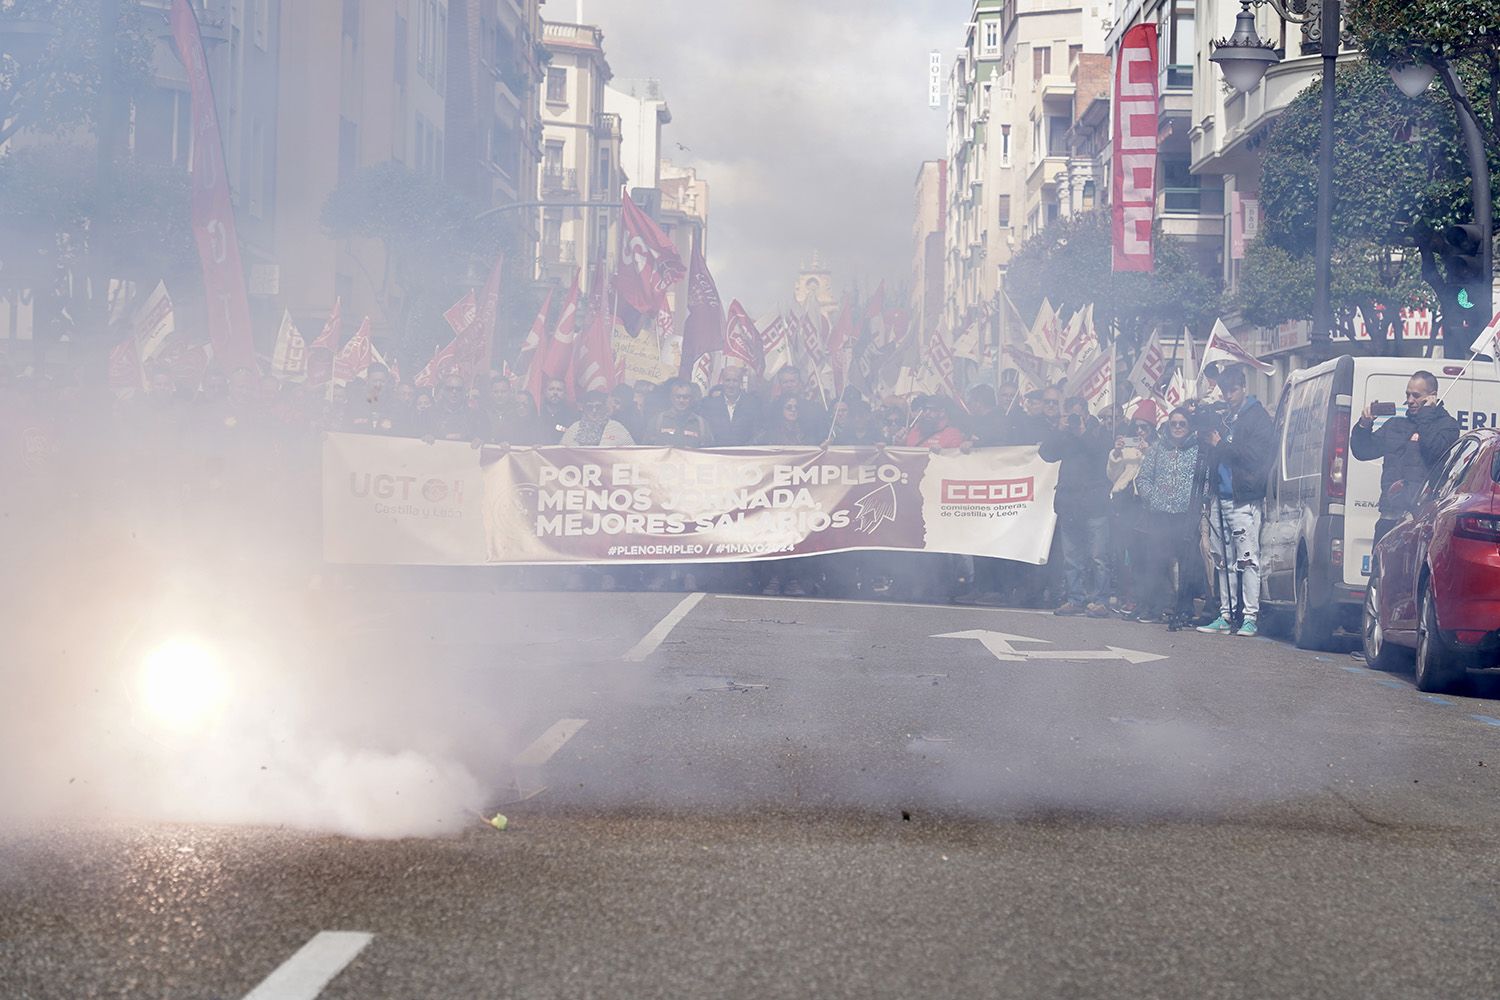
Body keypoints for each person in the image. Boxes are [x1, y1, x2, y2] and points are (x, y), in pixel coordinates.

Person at [1197, 364, 1275, 637]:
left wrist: (1222, 445)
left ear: (1243, 388)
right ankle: (1225, 614)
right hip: (1221, 497)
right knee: (1223, 559)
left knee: (1247, 559)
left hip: (1244, 498)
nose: (1228, 395)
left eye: (1232, 390)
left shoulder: (1257, 417)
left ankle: (1250, 617)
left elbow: (1255, 455)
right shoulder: (1225, 417)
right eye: (1224, 390)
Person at [1351, 369, 1460, 543]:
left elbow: (1434, 450)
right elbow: (1363, 451)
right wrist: (1364, 425)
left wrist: (1426, 414)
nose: (1410, 401)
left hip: (1421, 521)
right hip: (1389, 518)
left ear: (1432, 396)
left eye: (1416, 395)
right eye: (1408, 394)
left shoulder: (1448, 426)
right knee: (1379, 570)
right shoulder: (1395, 424)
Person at [1039, 401, 1113, 617]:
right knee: (1071, 557)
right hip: (1069, 503)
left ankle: (1101, 600)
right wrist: (1058, 430)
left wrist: (1081, 431)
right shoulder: (1064, 435)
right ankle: (1075, 598)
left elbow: (1100, 453)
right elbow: (1046, 454)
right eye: (1069, 415)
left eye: (1076, 416)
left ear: (1086, 415)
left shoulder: (1099, 432)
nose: (1072, 420)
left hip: (1094, 503)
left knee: (1098, 556)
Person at [1133, 406, 1206, 624]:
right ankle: (1156, 606)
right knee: (1156, 562)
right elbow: (1143, 478)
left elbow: (1205, 479)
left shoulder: (1198, 450)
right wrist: (1153, 498)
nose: (1177, 427)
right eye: (1173, 423)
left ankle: (1184, 609)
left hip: (1186, 515)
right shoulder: (1156, 449)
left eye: (1182, 423)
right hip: (1160, 515)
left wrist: (1198, 503)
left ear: (1189, 426)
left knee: (1187, 565)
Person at [700, 365, 761, 445]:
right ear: (722, 381)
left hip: (744, 454)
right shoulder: (710, 406)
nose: (731, 385)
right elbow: (706, 434)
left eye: (735, 381)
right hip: (717, 454)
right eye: (727, 380)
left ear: (741, 382)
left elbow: (758, 433)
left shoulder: (753, 405)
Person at [647, 379, 714, 447]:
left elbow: (708, 453)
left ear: (691, 399)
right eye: (678, 397)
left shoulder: (701, 424)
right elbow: (646, 451)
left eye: (685, 397)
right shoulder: (657, 421)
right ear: (671, 398)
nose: (681, 400)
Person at [561, 391, 636, 446]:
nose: (594, 411)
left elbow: (632, 453)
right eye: (590, 407)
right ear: (584, 409)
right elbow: (560, 453)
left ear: (604, 408)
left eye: (598, 407)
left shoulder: (616, 427)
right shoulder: (574, 428)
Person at [537, 378, 577, 444]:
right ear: (545, 392)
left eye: (559, 390)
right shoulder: (536, 415)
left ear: (565, 394)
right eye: (551, 389)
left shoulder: (573, 417)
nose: (555, 393)